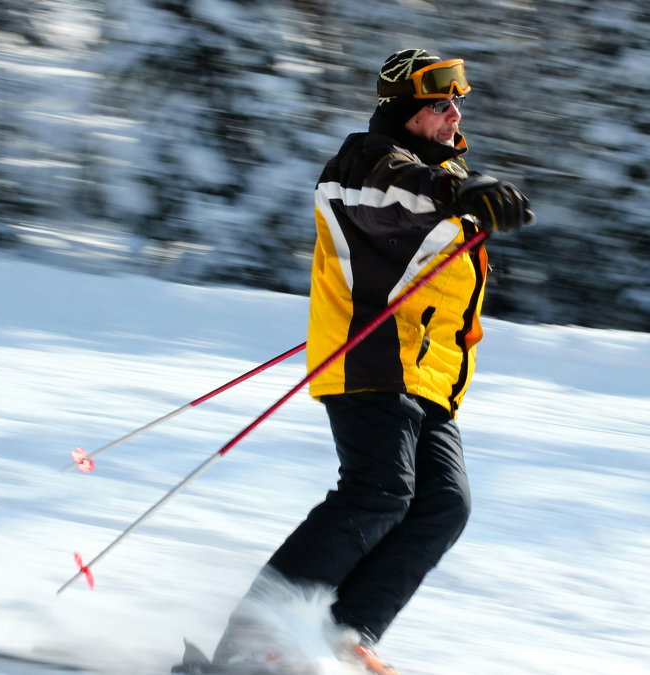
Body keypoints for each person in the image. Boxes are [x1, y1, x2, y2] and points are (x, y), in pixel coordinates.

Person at [211, 48, 532, 674]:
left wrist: (462, 189)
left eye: (457, 103)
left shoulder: (440, 176)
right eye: (440, 105)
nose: (454, 113)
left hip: (427, 380)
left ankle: (344, 634)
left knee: (444, 505)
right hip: (370, 365)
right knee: (378, 492)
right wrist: (461, 189)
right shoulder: (366, 163)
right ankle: (247, 645)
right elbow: (389, 194)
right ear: (407, 111)